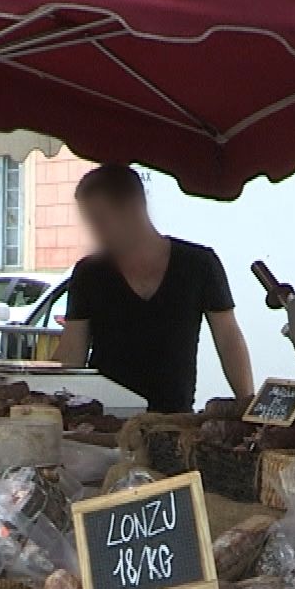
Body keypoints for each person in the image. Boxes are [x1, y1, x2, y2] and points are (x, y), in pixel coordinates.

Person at [57, 163, 255, 412]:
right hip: (105, 421)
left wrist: (248, 406)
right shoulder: (89, 273)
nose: (95, 232)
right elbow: (72, 354)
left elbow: (228, 339)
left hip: (175, 421)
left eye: (100, 220)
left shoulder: (199, 264)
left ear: (133, 208)